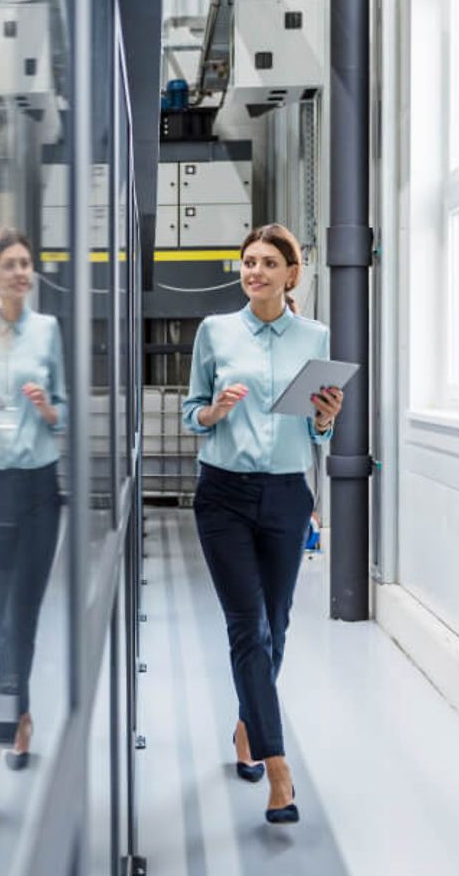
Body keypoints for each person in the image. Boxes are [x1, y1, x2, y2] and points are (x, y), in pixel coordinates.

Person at [181, 223, 345, 825]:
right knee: (247, 626)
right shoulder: (215, 332)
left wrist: (327, 420)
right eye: (248, 262)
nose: (254, 271)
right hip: (221, 495)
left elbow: (315, 432)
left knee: (276, 625)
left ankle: (249, 724)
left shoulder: (315, 336)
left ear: (290, 274)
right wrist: (212, 411)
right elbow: (189, 411)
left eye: (268, 263)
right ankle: (279, 771)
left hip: (285, 497)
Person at [0, 227, 67, 809]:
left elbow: (65, 409)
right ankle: (20, 714)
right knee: (2, 617)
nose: (22, 272)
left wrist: (49, 407)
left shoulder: (48, 331)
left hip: (39, 489)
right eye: (12, 264)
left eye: (27, 264)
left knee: (20, 615)